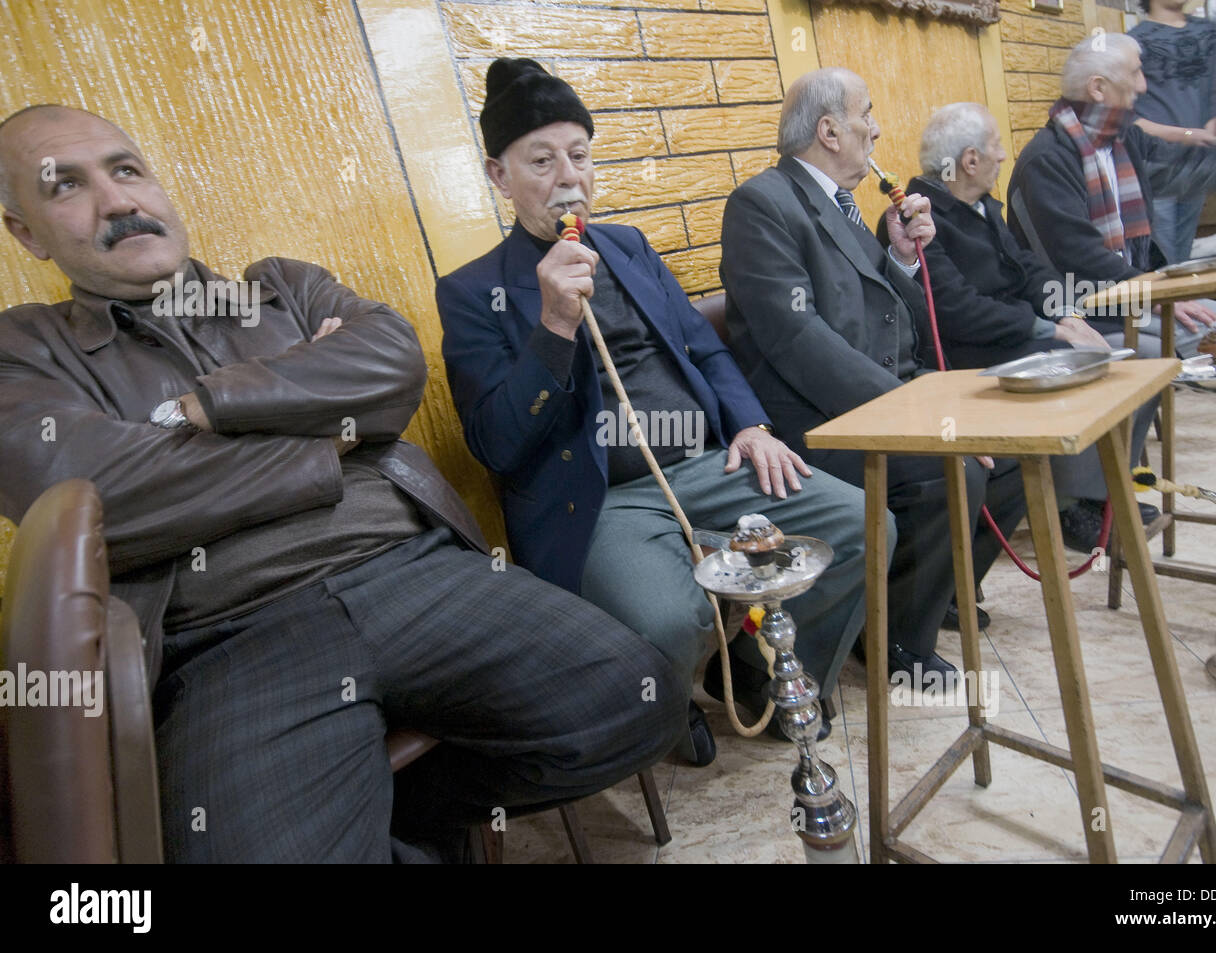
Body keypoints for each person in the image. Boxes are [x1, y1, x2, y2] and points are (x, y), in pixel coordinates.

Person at [0, 104, 685, 862]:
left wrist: (213, 407)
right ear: (25, 232)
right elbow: (91, 497)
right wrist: (327, 437)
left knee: (638, 700)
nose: (118, 201)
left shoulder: (283, 287)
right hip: (228, 635)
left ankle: (408, 814)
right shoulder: (23, 353)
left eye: (127, 169)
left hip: (413, 571)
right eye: (66, 186)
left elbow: (394, 364)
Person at [437, 59, 879, 760]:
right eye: (541, 160)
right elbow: (496, 441)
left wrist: (750, 425)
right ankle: (665, 702)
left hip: (708, 462)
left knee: (864, 524)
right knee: (669, 617)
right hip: (605, 496)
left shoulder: (628, 246)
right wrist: (552, 326)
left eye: (579, 156)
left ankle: (767, 675)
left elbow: (705, 349)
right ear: (499, 175)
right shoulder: (470, 291)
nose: (567, 177)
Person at [719, 67, 1026, 683]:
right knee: (951, 471)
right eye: (866, 115)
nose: (876, 128)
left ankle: (929, 595)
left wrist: (905, 260)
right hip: (817, 420)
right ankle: (896, 643)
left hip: (879, 397)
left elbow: (892, 309)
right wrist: (912, 414)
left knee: (1013, 454)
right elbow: (798, 339)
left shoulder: (844, 206)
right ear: (829, 129)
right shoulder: (762, 203)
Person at [884, 102, 1160, 552]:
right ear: (970, 160)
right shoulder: (921, 219)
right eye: (996, 146)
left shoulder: (983, 207)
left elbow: (1028, 269)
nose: (1004, 156)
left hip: (1025, 335)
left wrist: (1065, 314)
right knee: (1099, 366)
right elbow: (955, 309)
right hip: (978, 353)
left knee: (1143, 360)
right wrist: (1045, 330)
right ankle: (1070, 503)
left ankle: (1103, 487)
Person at [1007, 33, 1216, 359]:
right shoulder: (1046, 160)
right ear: (1098, 88)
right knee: (1206, 331)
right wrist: (1157, 296)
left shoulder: (1124, 140)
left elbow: (1187, 170)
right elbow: (1079, 257)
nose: (1143, 86)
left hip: (1127, 293)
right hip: (1078, 304)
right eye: (1135, 73)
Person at [1129, 0, 1216, 262]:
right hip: (1155, 168)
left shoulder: (1207, 31)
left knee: (1182, 258)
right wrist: (1188, 136)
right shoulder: (1133, 42)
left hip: (1197, 164)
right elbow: (1130, 119)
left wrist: (1205, 137)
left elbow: (1213, 95)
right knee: (1165, 261)